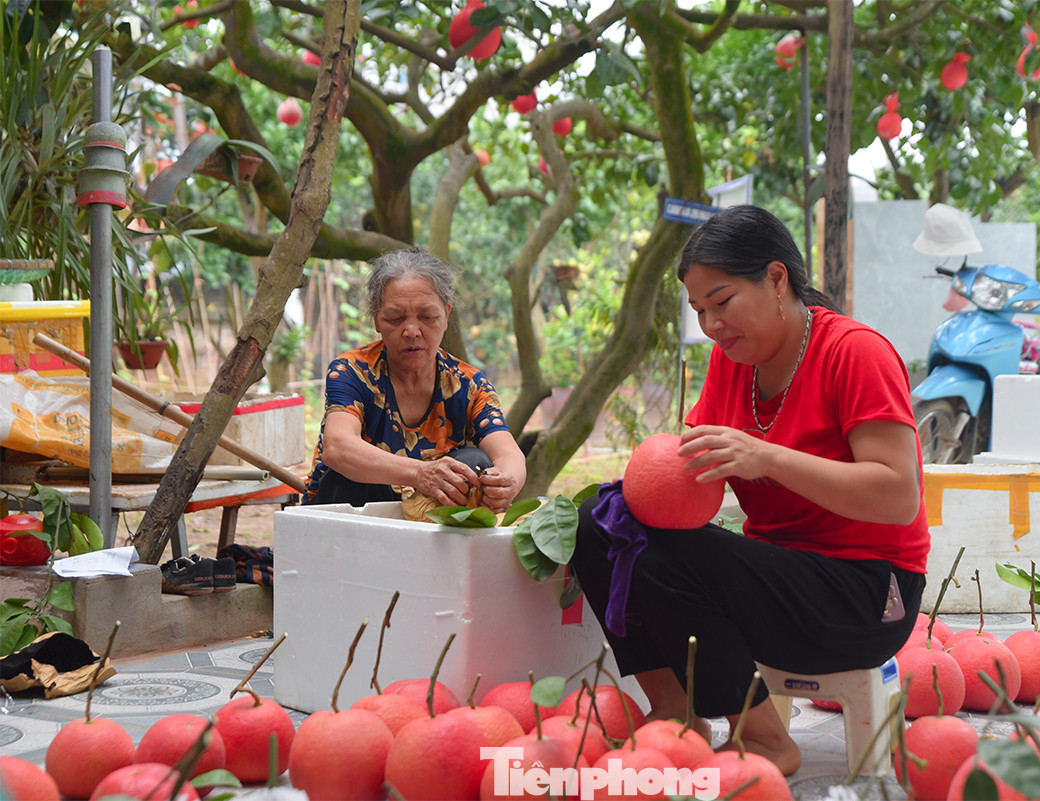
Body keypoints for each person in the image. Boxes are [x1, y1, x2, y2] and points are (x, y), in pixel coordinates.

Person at [570, 205, 930, 775]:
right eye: (700, 311)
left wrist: (767, 458)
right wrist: (650, 483)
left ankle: (764, 739)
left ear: (776, 278)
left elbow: (897, 495)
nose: (712, 325)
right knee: (601, 520)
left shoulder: (855, 352)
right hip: (777, 584)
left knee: (668, 557)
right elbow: (688, 482)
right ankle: (675, 710)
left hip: (868, 595)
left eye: (722, 302)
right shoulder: (730, 363)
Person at [302, 247, 525, 513]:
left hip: (431, 528)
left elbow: (509, 454)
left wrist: (506, 483)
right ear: (376, 320)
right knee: (350, 477)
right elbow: (337, 447)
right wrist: (421, 473)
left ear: (446, 316)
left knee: (475, 462)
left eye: (427, 317)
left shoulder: (469, 385)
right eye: (395, 318)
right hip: (349, 523)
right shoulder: (352, 372)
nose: (411, 331)